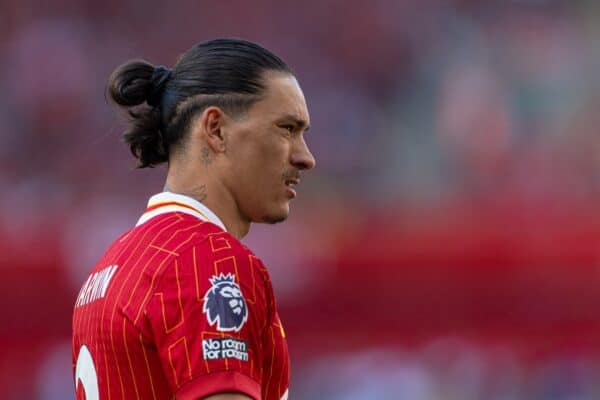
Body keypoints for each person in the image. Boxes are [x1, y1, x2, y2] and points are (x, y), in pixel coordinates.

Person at [72, 38, 315, 400]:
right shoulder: (209, 261)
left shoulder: (110, 268)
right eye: (286, 129)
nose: (305, 157)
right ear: (215, 129)